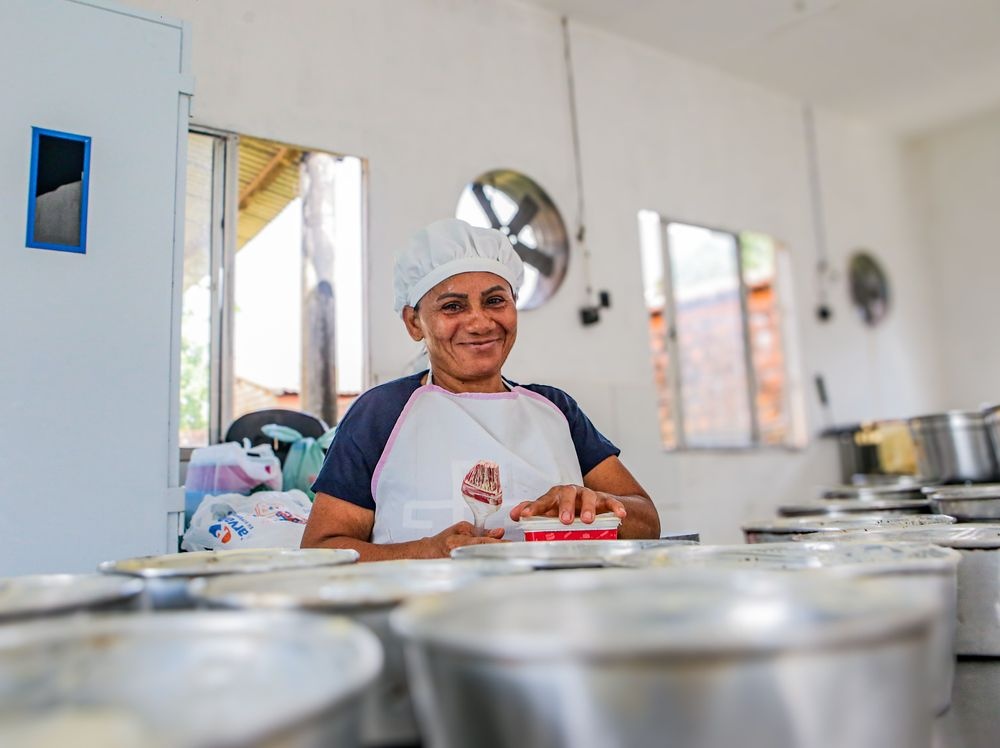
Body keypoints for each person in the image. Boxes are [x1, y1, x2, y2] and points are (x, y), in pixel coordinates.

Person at [301, 219, 660, 559]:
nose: (479, 322)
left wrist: (598, 505)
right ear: (414, 322)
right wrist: (424, 552)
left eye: (495, 301)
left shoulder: (555, 409)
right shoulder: (381, 412)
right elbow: (321, 548)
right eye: (453, 306)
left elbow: (648, 522)